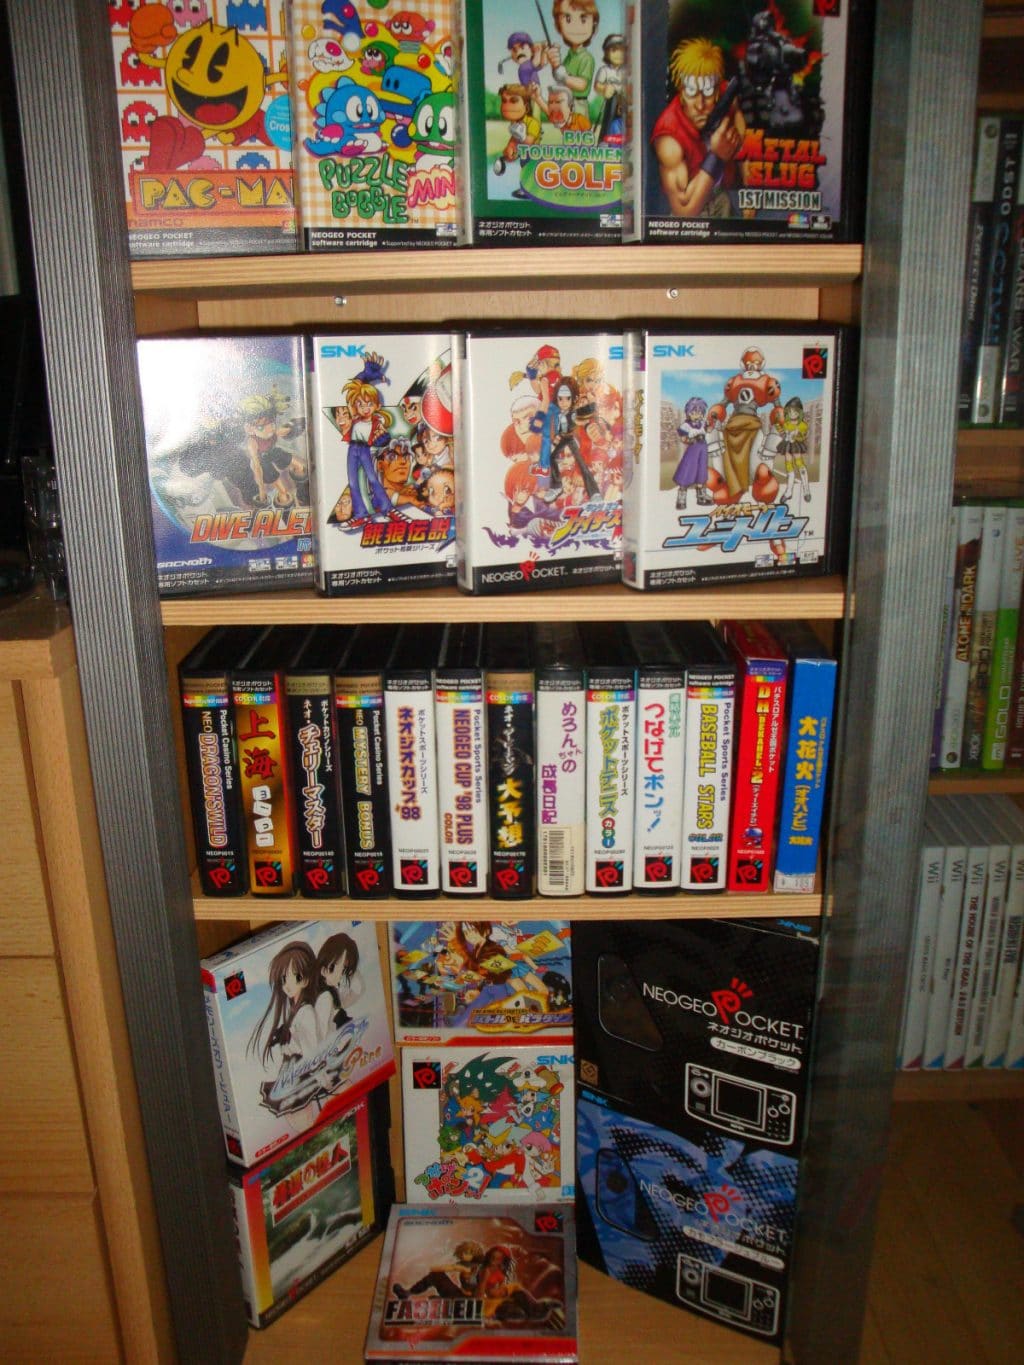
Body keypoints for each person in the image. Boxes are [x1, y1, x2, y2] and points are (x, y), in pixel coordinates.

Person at [651, 36, 745, 218]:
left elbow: (737, 114)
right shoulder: (669, 138)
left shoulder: (725, 95)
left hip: (725, 198)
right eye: (691, 91)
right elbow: (684, 210)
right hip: (692, 217)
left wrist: (749, 191)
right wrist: (716, 156)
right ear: (681, 89)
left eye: (708, 91)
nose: (700, 105)